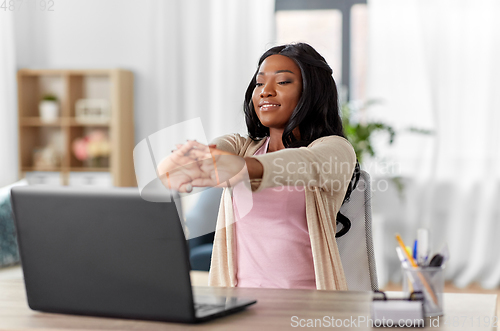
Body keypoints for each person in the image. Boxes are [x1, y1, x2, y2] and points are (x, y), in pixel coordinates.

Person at [158, 43, 359, 290]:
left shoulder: (335, 149)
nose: (266, 91)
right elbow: (175, 170)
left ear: (312, 91)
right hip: (237, 304)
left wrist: (242, 168)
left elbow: (300, 164)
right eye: (259, 83)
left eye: (283, 82)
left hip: (308, 305)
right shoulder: (241, 146)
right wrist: (185, 162)